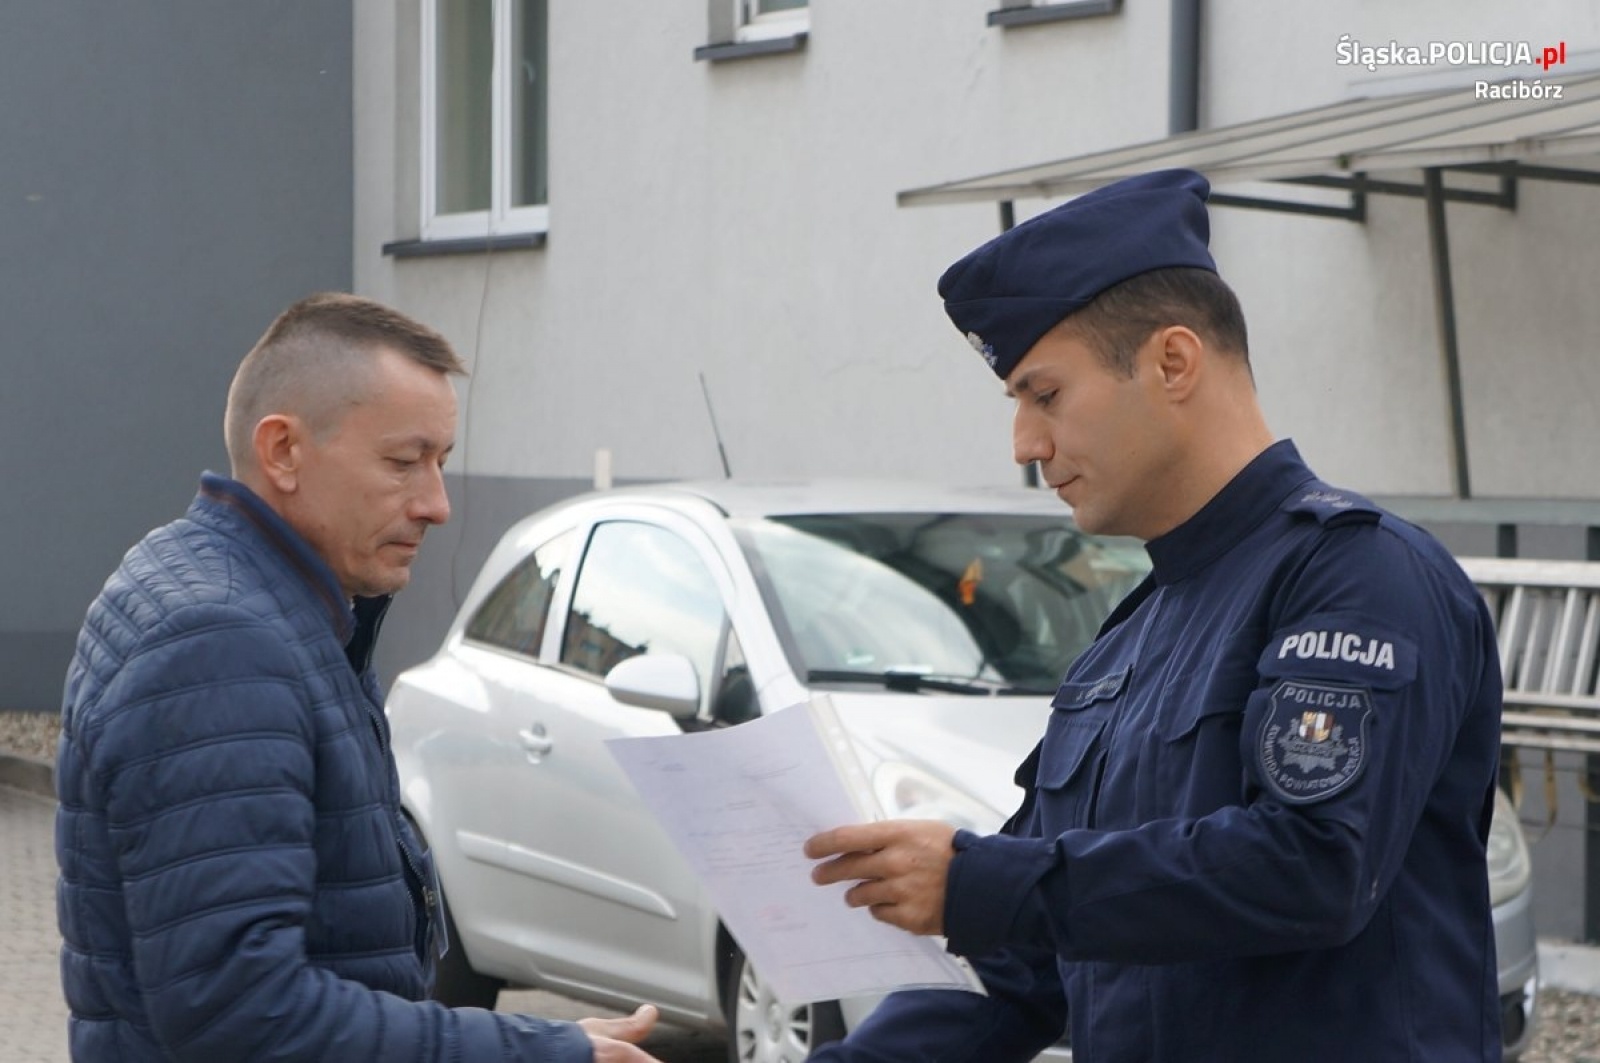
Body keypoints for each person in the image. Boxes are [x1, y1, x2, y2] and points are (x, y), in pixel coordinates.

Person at [804, 170, 1505, 1061]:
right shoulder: (1127, 640)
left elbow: (1313, 865)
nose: (1025, 443)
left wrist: (983, 881)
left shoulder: (1358, 576)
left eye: (1044, 394)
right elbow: (1022, 964)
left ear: (1173, 362)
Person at [55, 293, 664, 1062]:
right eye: (403, 462)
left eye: (442, 461)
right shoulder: (223, 641)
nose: (437, 504)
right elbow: (239, 1011)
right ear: (283, 451)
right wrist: (532, 1051)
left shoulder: (241, 592)